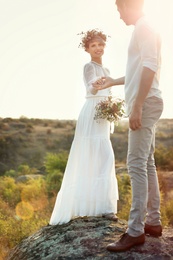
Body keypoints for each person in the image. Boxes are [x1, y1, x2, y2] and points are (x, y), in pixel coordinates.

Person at [93, 0, 163, 252]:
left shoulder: (144, 27)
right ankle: (153, 223)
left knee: (135, 163)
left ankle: (135, 230)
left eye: (119, 10)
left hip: (146, 103)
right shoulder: (145, 27)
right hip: (149, 101)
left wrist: (138, 106)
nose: (119, 16)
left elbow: (150, 66)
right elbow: (138, 70)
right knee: (146, 162)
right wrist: (113, 82)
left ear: (127, 5)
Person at [49, 29, 119, 225]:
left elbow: (109, 91)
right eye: (94, 45)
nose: (98, 48)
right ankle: (99, 208)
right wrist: (96, 86)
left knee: (103, 157)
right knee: (94, 155)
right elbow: (91, 87)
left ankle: (104, 208)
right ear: (87, 49)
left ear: (105, 46)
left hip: (103, 116)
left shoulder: (108, 71)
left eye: (101, 44)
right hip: (91, 113)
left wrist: (113, 107)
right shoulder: (89, 67)